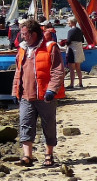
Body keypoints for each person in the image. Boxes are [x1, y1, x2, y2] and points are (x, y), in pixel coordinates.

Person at [11, 19, 65, 167]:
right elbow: (18, 72)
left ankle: (49, 154)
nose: (22, 37)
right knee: (25, 123)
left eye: (24, 34)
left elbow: (58, 70)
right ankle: (27, 157)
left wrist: (52, 90)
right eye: (21, 34)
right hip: (25, 95)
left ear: (34, 34)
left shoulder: (50, 47)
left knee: (48, 125)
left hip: (44, 95)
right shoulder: (22, 49)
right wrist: (15, 90)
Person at [64, 16, 86, 88]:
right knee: (78, 68)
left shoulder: (70, 31)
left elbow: (69, 41)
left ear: (71, 23)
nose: (68, 23)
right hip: (79, 49)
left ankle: (72, 84)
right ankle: (80, 83)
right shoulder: (79, 30)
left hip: (72, 50)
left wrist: (64, 44)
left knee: (71, 68)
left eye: (68, 22)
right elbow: (82, 40)